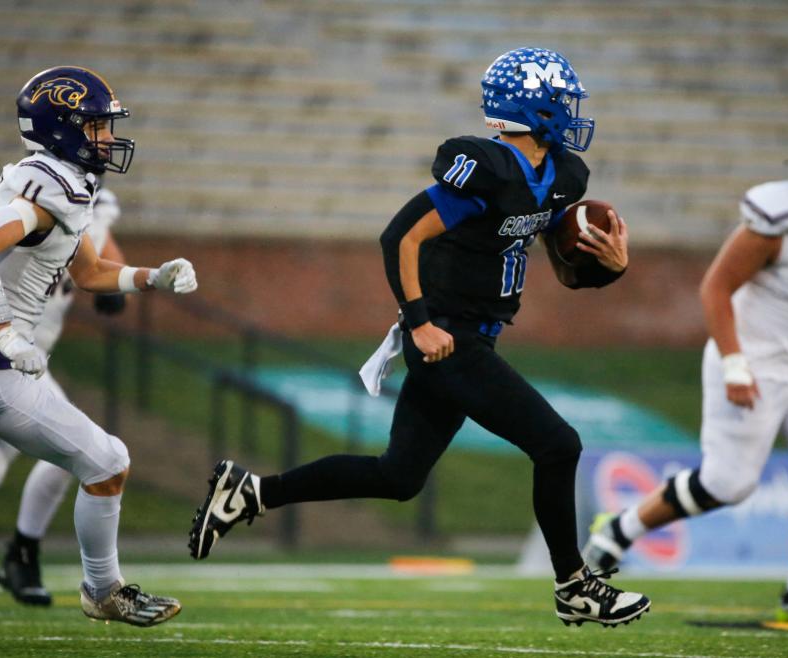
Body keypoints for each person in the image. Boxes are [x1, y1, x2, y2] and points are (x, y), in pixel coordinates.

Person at [188, 47, 652, 628]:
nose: (570, 110)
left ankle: (251, 492)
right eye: (561, 99)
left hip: (474, 337)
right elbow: (400, 238)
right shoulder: (486, 167)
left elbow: (563, 267)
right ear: (531, 107)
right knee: (558, 445)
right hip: (447, 338)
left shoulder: (561, 175)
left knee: (398, 477)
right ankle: (574, 585)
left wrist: (610, 265)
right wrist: (420, 322)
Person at [584, 106, 788, 622]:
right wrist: (734, 362)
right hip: (756, 360)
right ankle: (620, 530)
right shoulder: (780, 216)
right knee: (728, 485)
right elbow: (716, 287)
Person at [0, 66, 199, 626]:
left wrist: (151, 276)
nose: (107, 138)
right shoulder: (50, 187)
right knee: (106, 461)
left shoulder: (63, 181)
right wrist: (6, 332)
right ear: (61, 127)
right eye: (95, 125)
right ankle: (103, 589)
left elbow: (87, 272)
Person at [0, 180, 127, 607]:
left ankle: (22, 554)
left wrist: (120, 279)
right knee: (92, 457)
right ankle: (26, 554)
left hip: (24, 358)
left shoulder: (89, 202)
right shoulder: (22, 193)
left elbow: (101, 249)